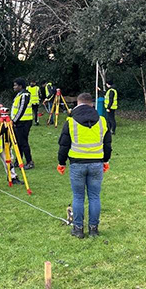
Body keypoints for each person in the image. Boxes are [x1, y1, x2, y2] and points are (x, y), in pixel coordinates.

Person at [57, 93, 112, 238]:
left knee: (78, 197)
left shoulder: (70, 121)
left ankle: (78, 229)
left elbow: (64, 145)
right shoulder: (102, 121)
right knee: (94, 196)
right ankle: (94, 229)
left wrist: (61, 163)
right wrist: (106, 160)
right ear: (92, 105)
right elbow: (107, 144)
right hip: (96, 163)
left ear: (78, 104)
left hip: (77, 164)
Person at [11, 78, 34, 170]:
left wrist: (14, 121)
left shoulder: (25, 95)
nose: (14, 87)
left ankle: (29, 162)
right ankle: (18, 160)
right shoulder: (19, 95)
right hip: (19, 121)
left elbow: (22, 109)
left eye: (16, 85)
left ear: (20, 86)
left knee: (23, 142)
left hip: (24, 122)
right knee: (18, 142)